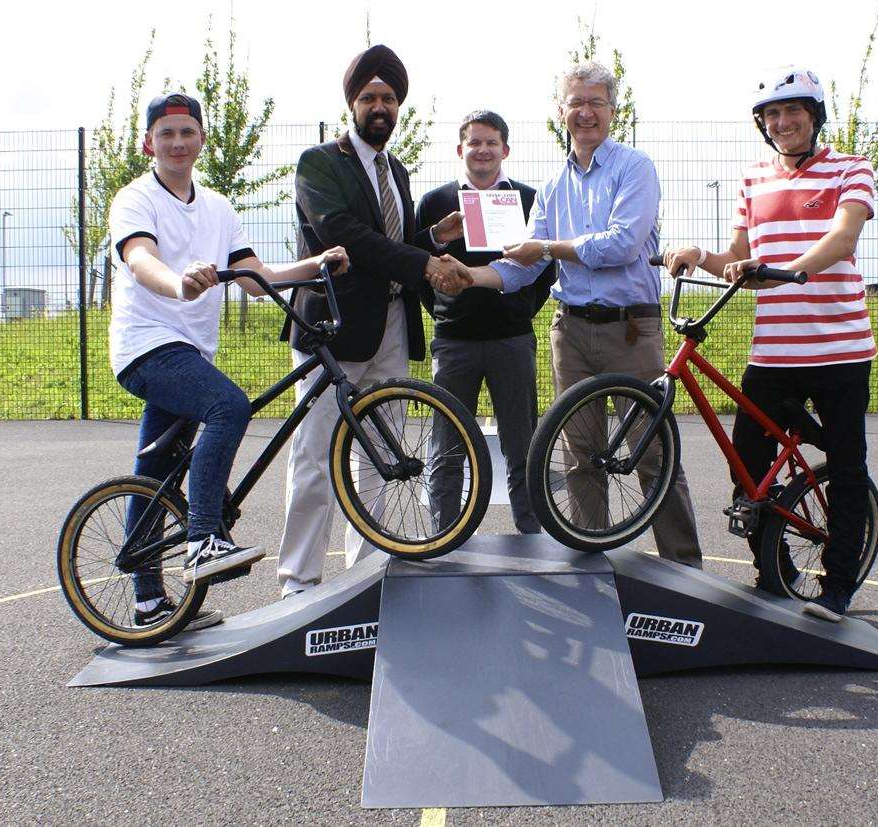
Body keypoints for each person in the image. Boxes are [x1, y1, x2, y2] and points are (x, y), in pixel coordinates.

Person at [444, 62, 703, 569]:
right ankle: (593, 565)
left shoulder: (635, 168)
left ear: (612, 110)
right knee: (581, 455)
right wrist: (469, 276)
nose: (586, 112)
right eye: (575, 103)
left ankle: (686, 570)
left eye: (597, 102)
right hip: (572, 330)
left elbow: (620, 244)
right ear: (560, 111)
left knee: (652, 452)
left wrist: (546, 246)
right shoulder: (552, 186)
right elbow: (522, 266)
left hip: (632, 329)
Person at [110, 92, 348, 629]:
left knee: (156, 471)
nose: (176, 142)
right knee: (228, 406)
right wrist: (179, 283)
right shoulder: (135, 199)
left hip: (188, 349)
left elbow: (252, 277)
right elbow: (140, 258)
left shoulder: (217, 207)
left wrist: (317, 262)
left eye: (186, 132)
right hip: (146, 345)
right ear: (148, 143)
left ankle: (148, 600)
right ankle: (203, 539)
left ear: (201, 140)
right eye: (165, 133)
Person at [663, 67, 877, 622]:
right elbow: (738, 257)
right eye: (771, 115)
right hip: (774, 354)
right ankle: (773, 567)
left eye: (793, 111)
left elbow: (843, 237)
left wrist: (789, 271)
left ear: (815, 115)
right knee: (748, 469)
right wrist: (695, 254)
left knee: (848, 466)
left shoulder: (851, 169)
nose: (782, 123)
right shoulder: (753, 180)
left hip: (840, 351)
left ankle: (837, 586)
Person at [277, 45, 463, 598]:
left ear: (398, 105)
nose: (378, 106)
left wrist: (433, 241)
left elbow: (392, 246)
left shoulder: (395, 169)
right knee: (314, 455)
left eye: (388, 98)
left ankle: (367, 570)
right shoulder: (318, 163)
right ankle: (299, 581)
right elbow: (347, 238)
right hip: (331, 333)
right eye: (368, 98)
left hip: (389, 327)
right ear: (351, 105)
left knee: (379, 453)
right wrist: (424, 262)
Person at [416, 110, 555, 534]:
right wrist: (443, 306)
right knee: (447, 445)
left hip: (512, 339)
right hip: (453, 342)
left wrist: (520, 309)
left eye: (491, 142)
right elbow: (417, 264)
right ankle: (444, 534)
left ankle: (531, 534)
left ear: (505, 150)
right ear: (460, 150)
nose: (482, 150)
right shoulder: (435, 202)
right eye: (474, 143)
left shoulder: (530, 200)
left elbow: (545, 268)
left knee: (522, 446)